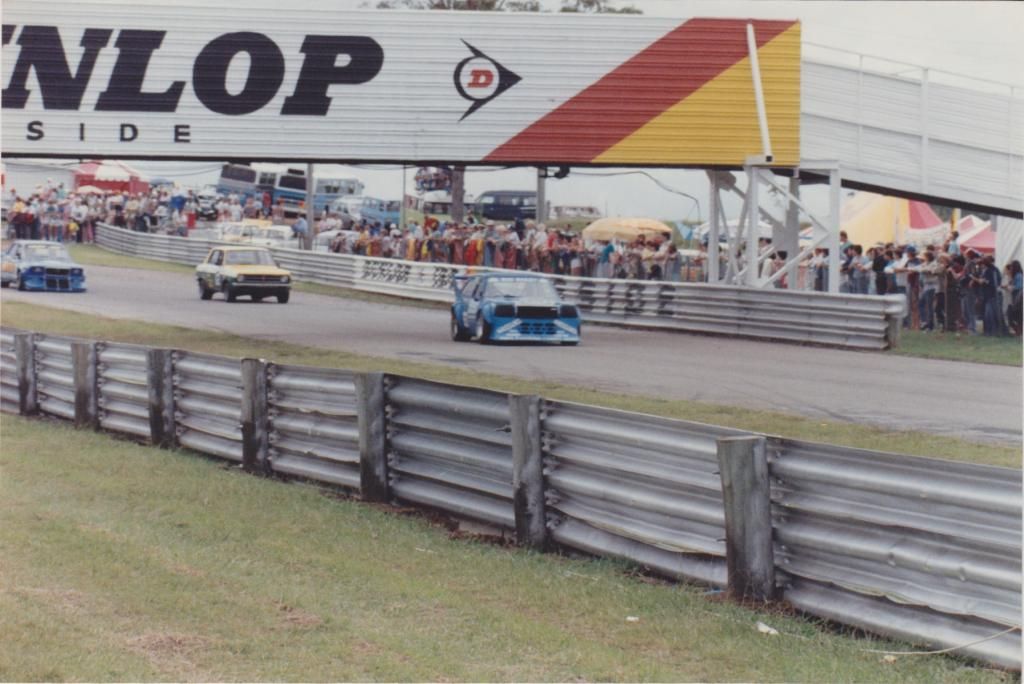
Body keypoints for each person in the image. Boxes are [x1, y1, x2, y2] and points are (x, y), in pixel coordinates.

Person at [1002, 260, 1023, 336]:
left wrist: (1009, 287)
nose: (1011, 268)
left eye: (1012, 266)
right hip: (1015, 297)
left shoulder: (1019, 276)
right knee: (1014, 315)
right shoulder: (1015, 276)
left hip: (1019, 298)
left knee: (1017, 315)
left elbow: (1019, 287)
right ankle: (1018, 331)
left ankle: (1019, 332)